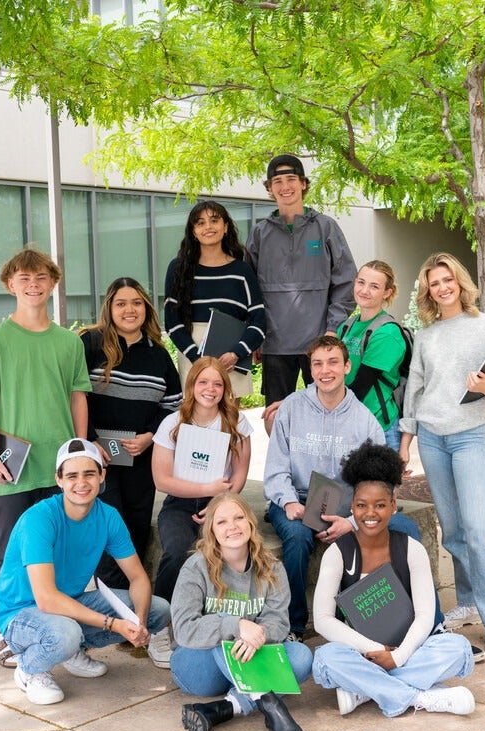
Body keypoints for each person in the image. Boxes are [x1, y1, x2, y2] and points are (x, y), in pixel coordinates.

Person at [0, 248, 90, 670]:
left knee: (59, 551)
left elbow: (78, 397)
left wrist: (81, 450)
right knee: (6, 552)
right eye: (24, 277)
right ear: (10, 284)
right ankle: (4, 632)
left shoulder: (67, 342)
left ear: (53, 283)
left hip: (59, 469)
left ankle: (60, 632)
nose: (33, 283)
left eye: (41, 276)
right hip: (12, 467)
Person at [399, 252, 485, 656]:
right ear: (428, 292)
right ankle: (467, 601)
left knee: (478, 528)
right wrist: (406, 442)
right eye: (434, 283)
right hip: (433, 439)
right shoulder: (426, 335)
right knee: (452, 530)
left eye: (447, 279)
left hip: (470, 436)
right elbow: (415, 390)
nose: (443, 287)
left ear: (460, 282)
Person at [264, 335, 421, 641]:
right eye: (318, 364)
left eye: (333, 362)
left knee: (405, 529)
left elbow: (381, 482)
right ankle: (294, 627)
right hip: (296, 498)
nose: (326, 370)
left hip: (349, 505)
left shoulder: (364, 419)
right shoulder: (292, 408)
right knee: (296, 538)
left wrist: (351, 521)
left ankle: (415, 621)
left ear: (347, 366)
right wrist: (287, 504)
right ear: (310, 370)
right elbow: (276, 468)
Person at [0, 438, 171, 705]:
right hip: (19, 614)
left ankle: (70, 650)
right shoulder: (39, 519)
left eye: (89, 473)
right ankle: (30, 668)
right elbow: (46, 599)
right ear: (59, 480)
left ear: (102, 475)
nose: (81, 483)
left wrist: (139, 621)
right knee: (65, 633)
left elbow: (138, 578)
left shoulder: (108, 516)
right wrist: (115, 624)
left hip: (68, 604)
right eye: (72, 475)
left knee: (159, 609)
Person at [312, 441, 475, 717]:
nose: (370, 514)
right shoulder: (338, 553)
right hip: (361, 652)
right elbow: (323, 621)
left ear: (393, 506)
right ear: (352, 507)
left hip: (407, 647)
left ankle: (366, 689)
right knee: (326, 660)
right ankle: (420, 697)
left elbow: (425, 615)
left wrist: (397, 656)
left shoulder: (411, 549)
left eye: (380, 505)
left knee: (458, 648)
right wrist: (376, 650)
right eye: (362, 505)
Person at [170, 493, 312, 731]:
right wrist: (237, 627)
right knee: (223, 624)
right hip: (200, 668)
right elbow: (183, 629)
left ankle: (222, 708)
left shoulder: (272, 567)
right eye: (222, 522)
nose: (232, 526)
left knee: (301, 657)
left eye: (239, 518)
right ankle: (267, 702)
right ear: (211, 530)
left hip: (249, 659)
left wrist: (254, 636)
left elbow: (279, 624)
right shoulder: (196, 567)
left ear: (251, 523)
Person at [79, 278, 182, 597]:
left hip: (140, 458)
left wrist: (150, 436)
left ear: (146, 308)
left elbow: (173, 405)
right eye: (121, 303)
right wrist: (92, 440)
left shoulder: (158, 354)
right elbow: (74, 395)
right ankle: (119, 608)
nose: (129, 309)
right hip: (99, 459)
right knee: (109, 532)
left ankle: (129, 609)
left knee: (137, 531)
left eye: (136, 302)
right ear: (109, 308)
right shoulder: (89, 343)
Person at [245, 154, 356, 431]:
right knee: (275, 417)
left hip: (319, 343)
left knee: (326, 417)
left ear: (303, 184)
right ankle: (282, 472)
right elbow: (249, 290)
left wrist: (332, 329)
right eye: (277, 181)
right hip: (275, 343)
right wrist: (255, 334)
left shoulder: (325, 227)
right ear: (269, 188)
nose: (285, 187)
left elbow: (346, 282)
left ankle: (321, 475)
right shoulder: (260, 233)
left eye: (291, 179)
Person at [150, 357, 253, 647]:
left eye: (218, 383)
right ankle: (159, 625)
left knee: (229, 551)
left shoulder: (236, 422)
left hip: (221, 503)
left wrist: (222, 501)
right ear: (192, 384)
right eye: (203, 382)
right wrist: (205, 486)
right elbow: (161, 479)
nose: (210, 389)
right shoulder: (173, 422)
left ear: (225, 388)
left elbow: (240, 471)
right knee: (177, 550)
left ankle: (220, 622)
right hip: (180, 502)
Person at [164, 200, 265, 398]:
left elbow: (259, 320)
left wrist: (236, 353)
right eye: (200, 223)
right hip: (192, 355)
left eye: (214, 221)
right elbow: (172, 322)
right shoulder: (178, 269)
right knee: (194, 424)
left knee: (229, 426)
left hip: (232, 358)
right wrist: (196, 357)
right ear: (193, 231)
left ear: (225, 227)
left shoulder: (242, 271)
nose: (208, 227)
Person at [338, 260, 408, 452]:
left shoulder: (387, 333)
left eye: (374, 286)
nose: (364, 290)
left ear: (387, 292)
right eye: (361, 282)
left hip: (379, 427)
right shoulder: (346, 327)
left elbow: (360, 387)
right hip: (350, 422)